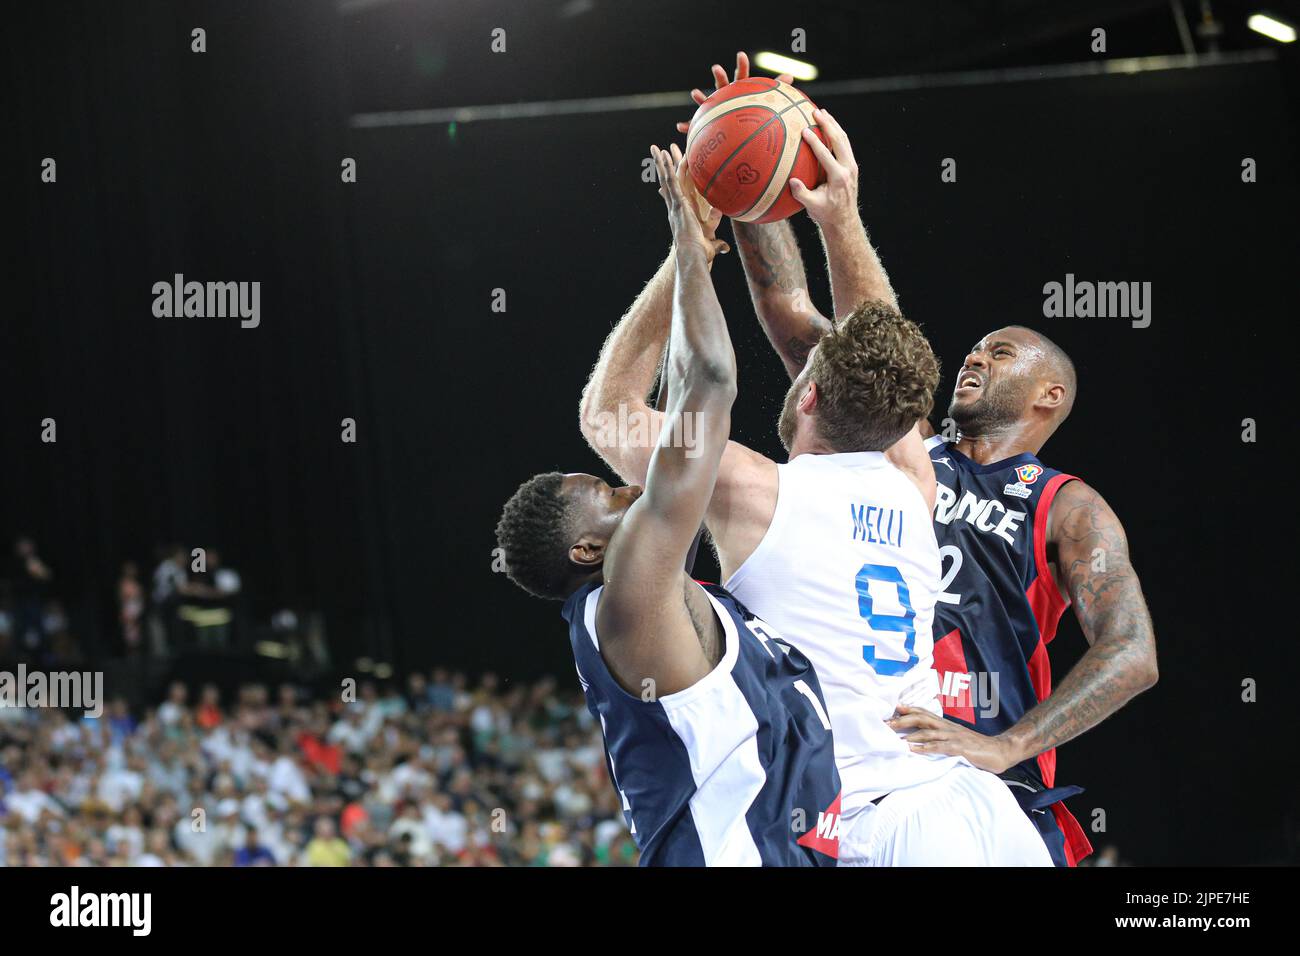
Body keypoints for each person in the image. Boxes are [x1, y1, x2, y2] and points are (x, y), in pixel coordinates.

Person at [579, 58, 1051, 866]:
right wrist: (835, 215)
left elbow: (606, 411)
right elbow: (884, 348)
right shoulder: (915, 482)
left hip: (872, 823)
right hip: (971, 805)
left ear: (805, 400)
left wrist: (686, 250)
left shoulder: (749, 490)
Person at [708, 52, 1158, 866]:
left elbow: (1132, 653)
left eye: (1003, 351)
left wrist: (1009, 744)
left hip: (983, 788)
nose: (976, 356)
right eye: (976, 346)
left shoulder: (1065, 504)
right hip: (863, 784)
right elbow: (794, 313)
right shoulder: (890, 451)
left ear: (1050, 396)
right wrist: (749, 181)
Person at [496, 144, 840, 866]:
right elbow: (709, 383)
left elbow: (678, 382)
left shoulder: (657, 597)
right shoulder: (633, 596)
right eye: (608, 493)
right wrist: (687, 242)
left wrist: (695, 249)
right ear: (589, 551)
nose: (627, 485)